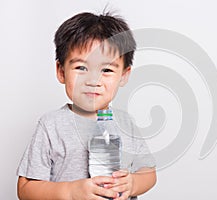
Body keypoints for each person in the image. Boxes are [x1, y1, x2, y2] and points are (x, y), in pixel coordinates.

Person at [16, 11, 156, 200]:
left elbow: (148, 173)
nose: (93, 80)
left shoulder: (126, 123)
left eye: (106, 69)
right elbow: (25, 189)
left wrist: (133, 184)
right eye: (81, 68)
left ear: (124, 75)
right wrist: (70, 192)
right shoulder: (51, 125)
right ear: (61, 71)